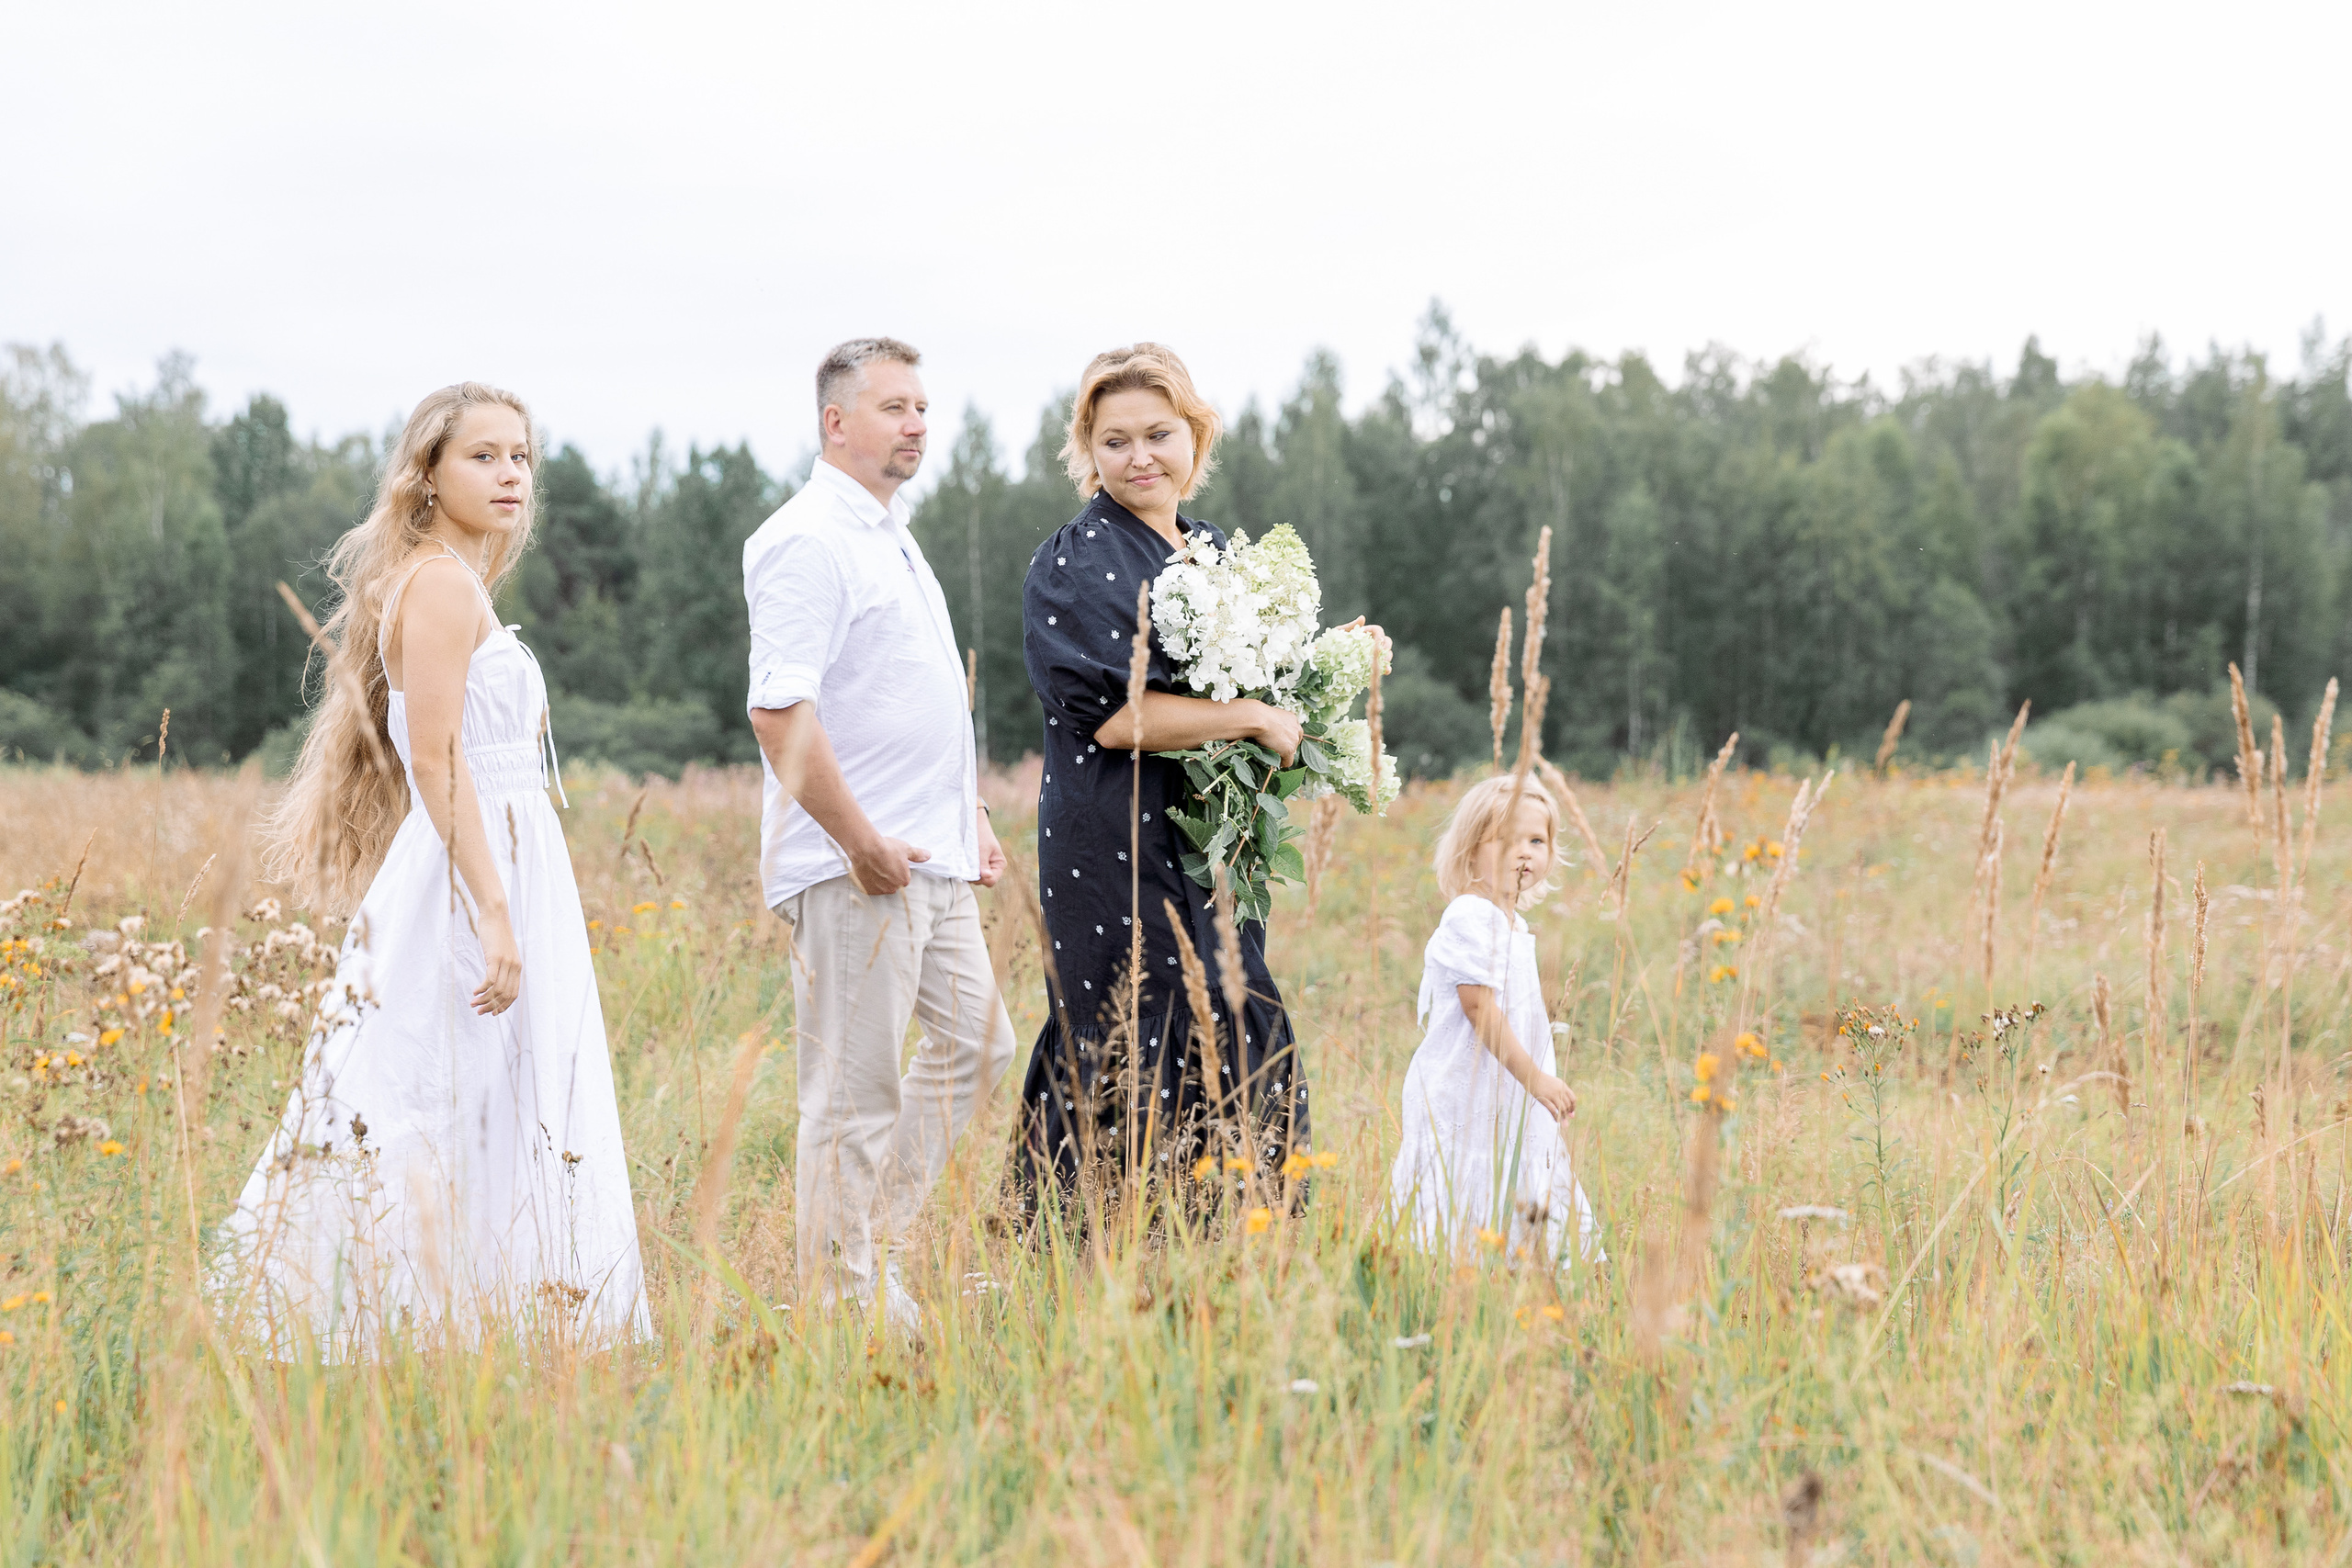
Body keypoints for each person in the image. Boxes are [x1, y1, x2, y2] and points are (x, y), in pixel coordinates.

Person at [219, 382, 649, 1356]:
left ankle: (480, 1318)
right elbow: (437, 757)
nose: (510, 475)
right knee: (428, 1086)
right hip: (475, 865)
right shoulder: (441, 583)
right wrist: (494, 911)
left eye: (522, 457)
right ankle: (388, 1314)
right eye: (484, 456)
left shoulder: (446, 576)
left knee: (484, 1087)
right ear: (428, 474)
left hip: (496, 853)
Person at [744, 337, 1015, 1336]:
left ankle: (866, 1250)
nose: (916, 425)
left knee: (980, 1046)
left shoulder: (890, 534)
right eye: (894, 407)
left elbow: (905, 702)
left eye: (921, 408)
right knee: (849, 1097)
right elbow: (781, 715)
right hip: (853, 866)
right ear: (835, 422)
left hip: (929, 856)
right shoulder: (807, 538)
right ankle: (842, 1307)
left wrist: (970, 813)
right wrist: (859, 843)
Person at [1012, 343, 1321, 1206]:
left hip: (1204, 841)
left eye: (1158, 433)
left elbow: (1257, 676)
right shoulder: (1073, 562)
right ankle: (1101, 1248)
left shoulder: (1213, 548)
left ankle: (1233, 1238)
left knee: (1230, 1005)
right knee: (1126, 1020)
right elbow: (1116, 716)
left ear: (1196, 434)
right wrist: (1254, 718)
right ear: (1088, 452)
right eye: (1115, 441)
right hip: (1112, 838)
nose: (1139, 457)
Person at [1389, 774, 1604, 1268]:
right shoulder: (1471, 915)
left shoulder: (1511, 923)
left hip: (1505, 1090)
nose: (1523, 853)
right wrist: (1536, 1078)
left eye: (1536, 841)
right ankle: (1459, 1276)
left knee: (1512, 1171)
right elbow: (1479, 1008)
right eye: (1506, 841)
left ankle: (1513, 1274)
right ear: (1471, 849)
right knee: (1469, 1173)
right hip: (1471, 1087)